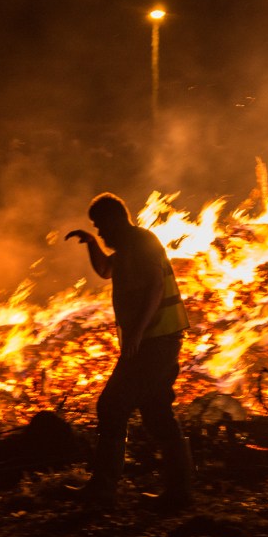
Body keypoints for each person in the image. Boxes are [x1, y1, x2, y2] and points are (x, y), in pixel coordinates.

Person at [64, 192, 193, 510]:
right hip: (154, 340)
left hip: (156, 341)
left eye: (100, 227)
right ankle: (180, 492)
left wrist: (136, 333)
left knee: (111, 405)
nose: (101, 232)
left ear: (114, 220)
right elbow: (106, 271)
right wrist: (91, 243)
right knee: (157, 413)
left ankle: (104, 489)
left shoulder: (142, 241)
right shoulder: (124, 248)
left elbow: (155, 286)